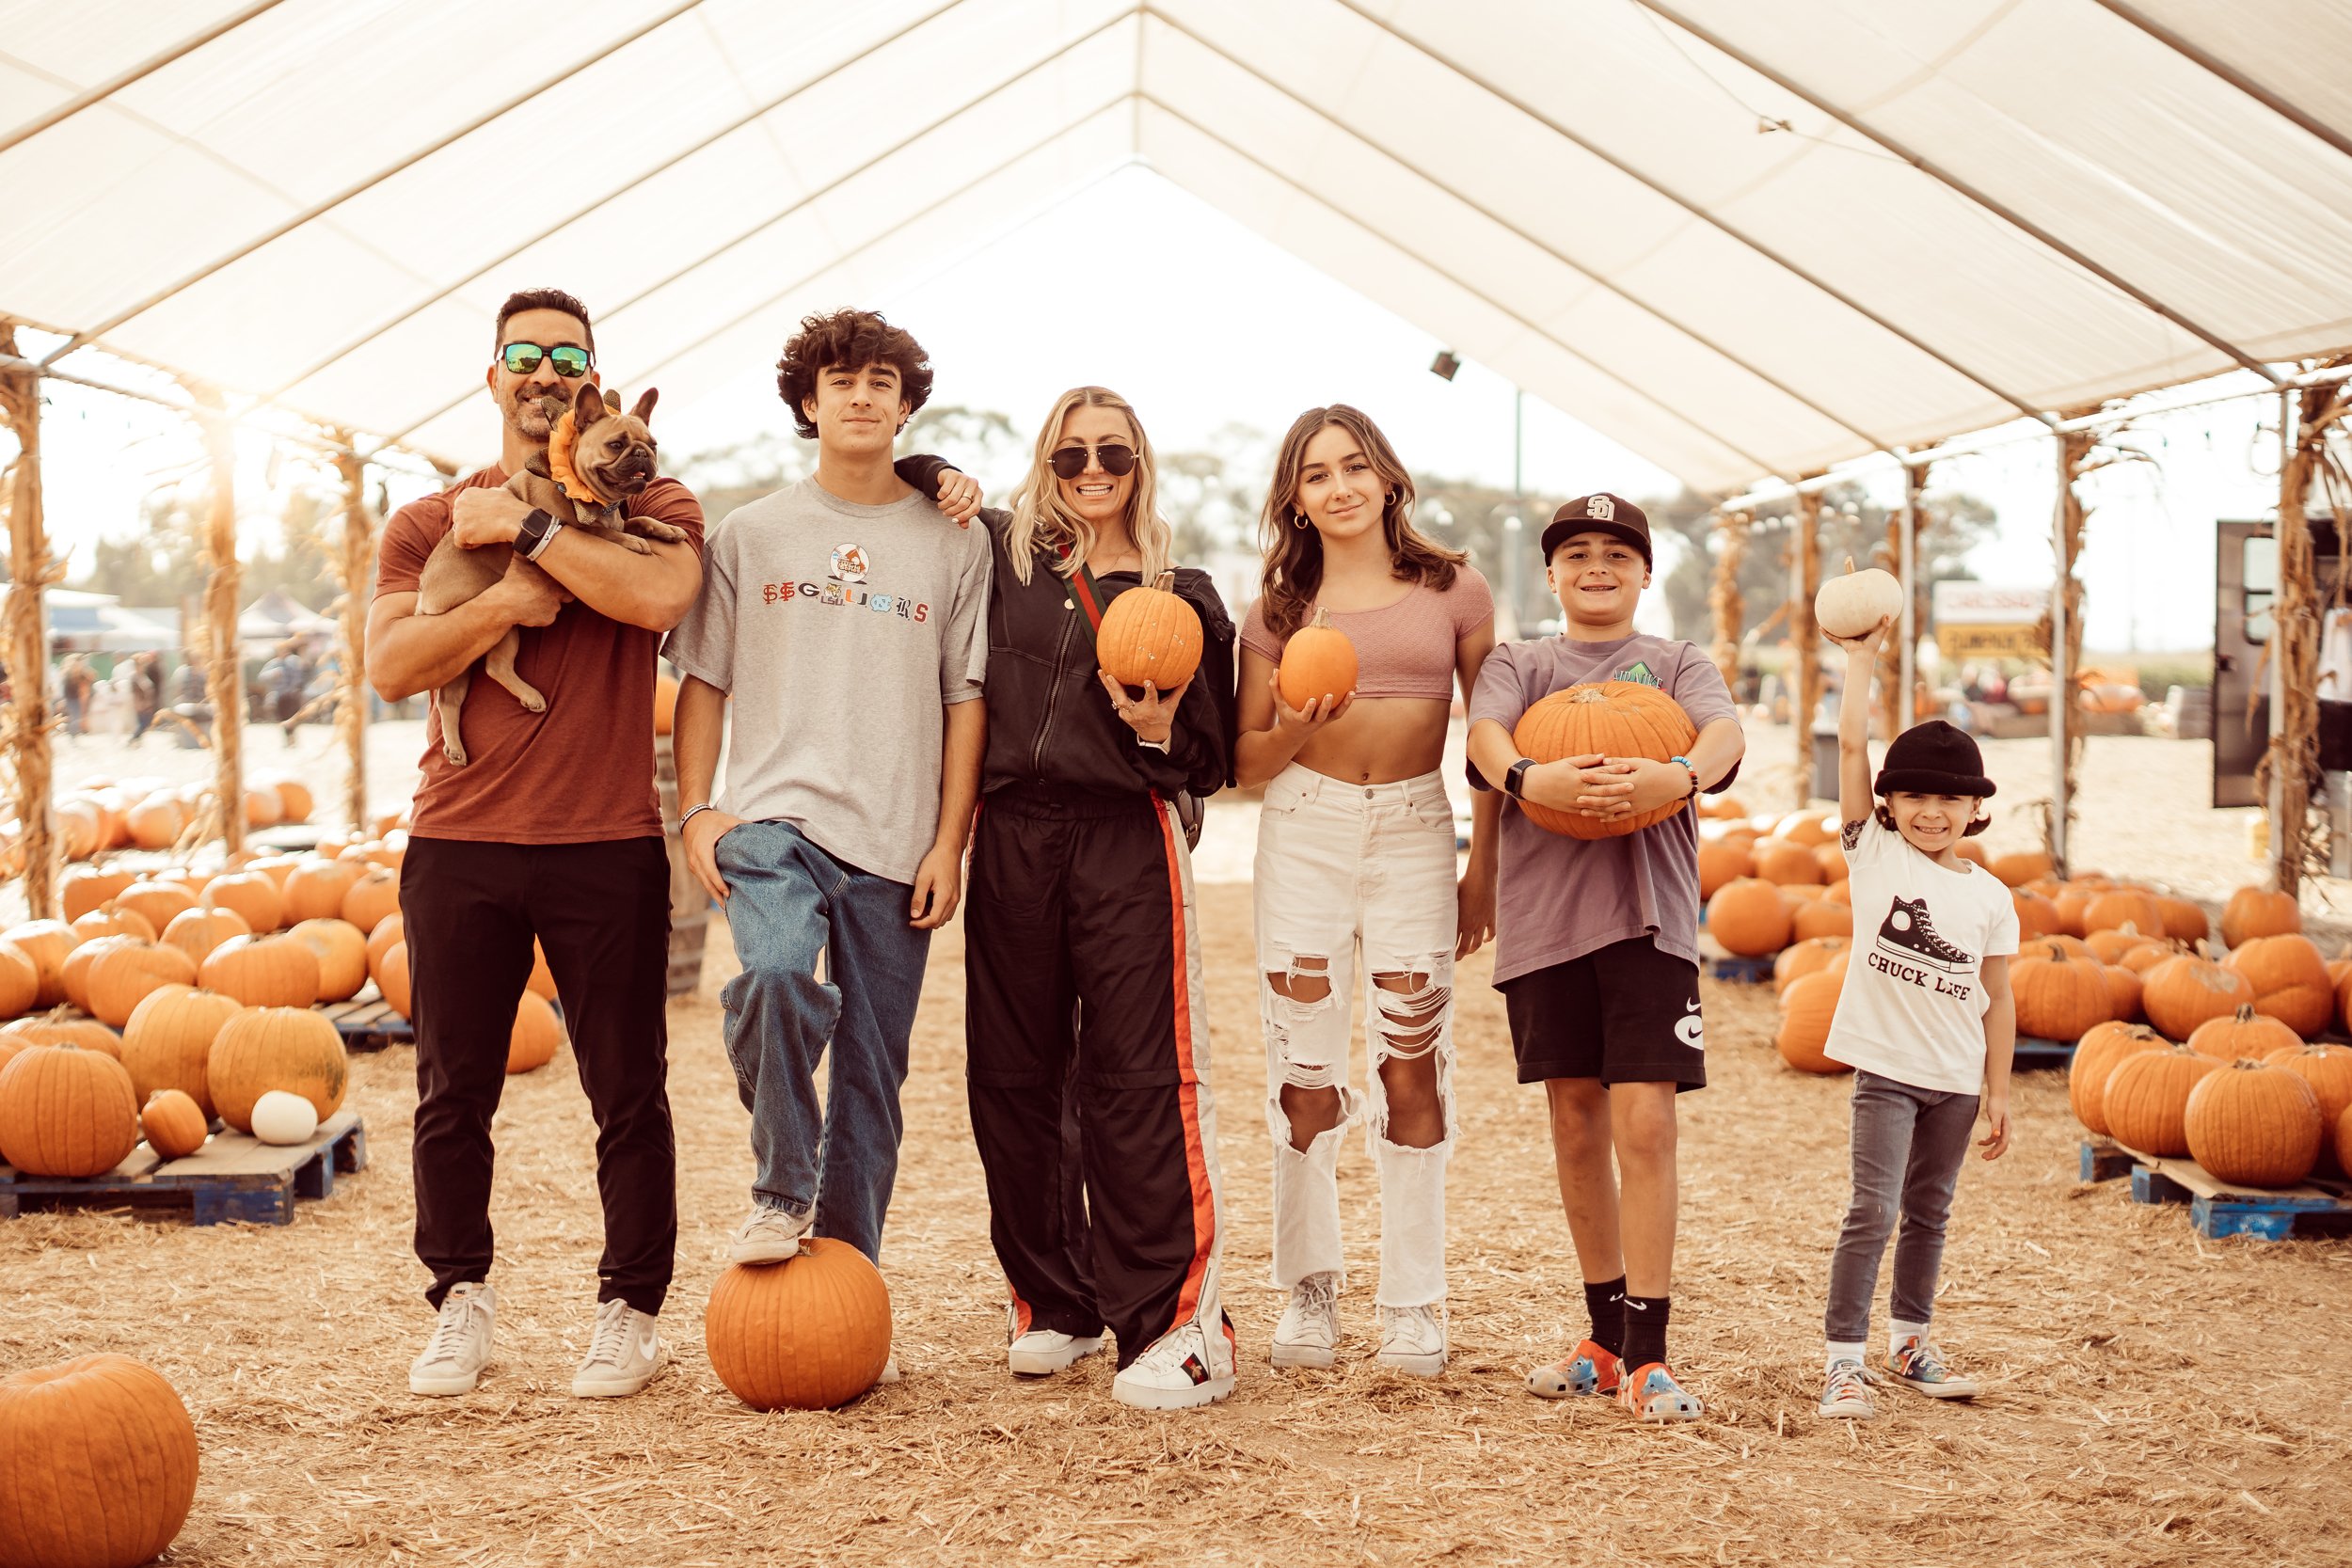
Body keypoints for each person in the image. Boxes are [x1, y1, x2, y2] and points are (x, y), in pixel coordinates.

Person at [367, 287, 709, 1402]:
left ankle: (629, 1308)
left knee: (629, 1088)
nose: (545, 370)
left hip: (604, 838)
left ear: (593, 381)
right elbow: (392, 664)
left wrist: (526, 529)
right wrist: (505, 598)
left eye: (568, 355)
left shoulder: (649, 496)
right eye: (525, 354)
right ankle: (457, 1296)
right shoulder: (426, 519)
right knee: (452, 1089)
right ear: (494, 376)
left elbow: (658, 592)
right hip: (458, 836)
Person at [667, 310, 989, 1381]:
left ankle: (843, 1281)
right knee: (766, 976)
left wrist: (951, 838)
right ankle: (776, 1185)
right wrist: (698, 808)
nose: (860, 396)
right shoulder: (749, 534)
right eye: (840, 380)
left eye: (882, 381)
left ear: (907, 405)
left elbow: (965, 699)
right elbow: (703, 679)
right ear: (807, 401)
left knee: (872, 1076)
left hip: (898, 839)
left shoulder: (954, 539)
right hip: (770, 821)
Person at [957, 387, 1239, 1410]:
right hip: (1013, 834)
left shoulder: (1186, 595)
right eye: (1069, 450)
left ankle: (1179, 1319)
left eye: (1111, 450)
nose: (1090, 466)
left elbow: (1216, 757)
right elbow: (902, 478)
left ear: (1139, 463)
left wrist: (1157, 723)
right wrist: (935, 475)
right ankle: (1054, 1300)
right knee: (1013, 1073)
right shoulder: (1002, 561)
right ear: (1044, 459)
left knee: (1138, 1076)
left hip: (1127, 833)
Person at [1464, 494, 1745, 1423]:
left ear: (1643, 573)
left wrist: (1682, 773)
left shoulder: (1674, 665)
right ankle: (1601, 1335)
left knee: (1646, 1127)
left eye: (1615, 553)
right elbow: (1484, 735)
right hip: (1546, 924)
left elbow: (1723, 733)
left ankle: (1652, 1350)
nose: (1595, 566)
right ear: (1550, 572)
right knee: (1577, 1124)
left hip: (1646, 926)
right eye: (1575, 553)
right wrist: (1524, 777)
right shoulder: (1523, 663)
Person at [1232, 404, 1496, 1379]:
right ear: (1294, 500)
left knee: (1411, 1061)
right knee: (1303, 1068)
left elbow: (1486, 740)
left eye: (1353, 465)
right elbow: (1245, 760)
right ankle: (1309, 1282)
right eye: (1314, 474)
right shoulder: (1276, 608)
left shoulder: (1455, 588)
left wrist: (1485, 868)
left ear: (1387, 475)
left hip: (1418, 832)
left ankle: (1414, 1297)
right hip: (1306, 826)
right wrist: (1301, 724)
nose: (1338, 485)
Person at [1815, 618, 2015, 1420]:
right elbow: (1852, 748)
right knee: (1873, 1210)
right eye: (1915, 797)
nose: (1933, 811)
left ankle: (1910, 1340)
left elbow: (1998, 998)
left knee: (1931, 1212)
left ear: (1974, 808)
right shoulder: (1877, 857)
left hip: (1957, 1083)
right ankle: (1842, 1361)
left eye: (1950, 798)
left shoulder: (1993, 897)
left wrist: (1998, 1090)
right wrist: (1860, 661)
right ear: (1889, 806)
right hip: (1888, 1074)